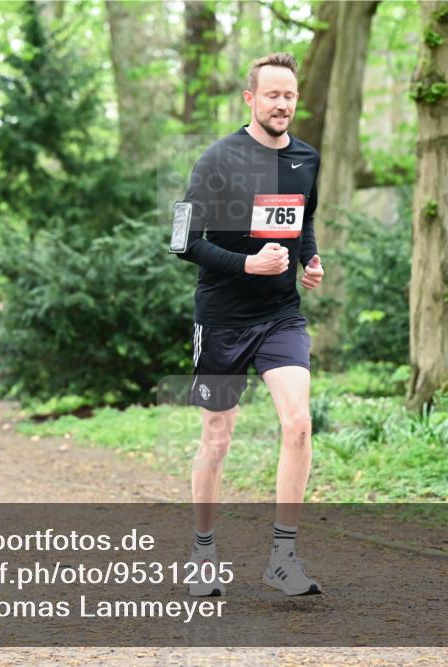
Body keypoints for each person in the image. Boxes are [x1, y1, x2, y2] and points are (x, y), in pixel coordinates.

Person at [175, 53, 325, 597]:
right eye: (272, 95)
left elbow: (302, 218)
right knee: (217, 436)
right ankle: (202, 550)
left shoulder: (306, 157)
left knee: (299, 422)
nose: (282, 104)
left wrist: (310, 260)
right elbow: (182, 242)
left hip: (279, 316)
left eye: (289, 96)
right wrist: (246, 264)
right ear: (250, 99)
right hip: (220, 321)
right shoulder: (216, 159)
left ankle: (283, 556)